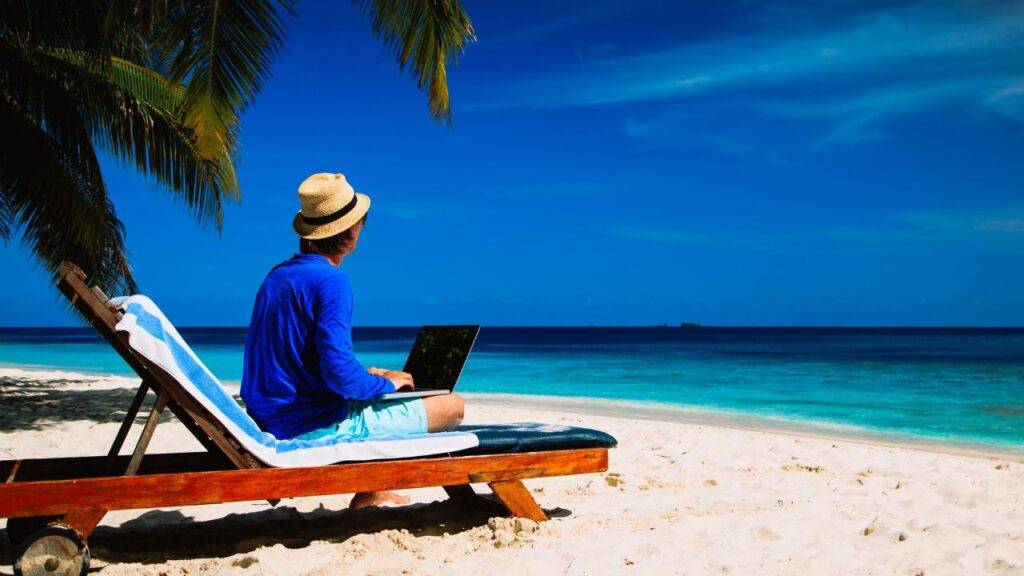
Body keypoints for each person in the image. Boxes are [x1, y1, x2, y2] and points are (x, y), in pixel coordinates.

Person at [241, 172, 465, 510]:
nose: (362, 228)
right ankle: (371, 490)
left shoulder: (277, 277)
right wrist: (384, 386)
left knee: (381, 391)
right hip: (309, 427)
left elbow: (303, 362)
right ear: (349, 232)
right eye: (361, 221)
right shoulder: (331, 282)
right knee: (451, 405)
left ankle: (372, 490)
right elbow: (339, 376)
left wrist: (375, 379)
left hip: (272, 416)